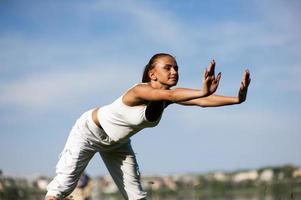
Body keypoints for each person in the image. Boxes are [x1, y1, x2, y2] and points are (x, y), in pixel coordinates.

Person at [45, 53, 251, 200]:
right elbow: (176, 94)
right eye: (167, 68)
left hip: (118, 144)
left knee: (136, 196)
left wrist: (237, 99)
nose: (174, 71)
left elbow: (202, 101)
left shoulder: (168, 97)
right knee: (62, 187)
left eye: (176, 68)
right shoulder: (139, 90)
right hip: (89, 132)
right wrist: (202, 91)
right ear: (153, 74)